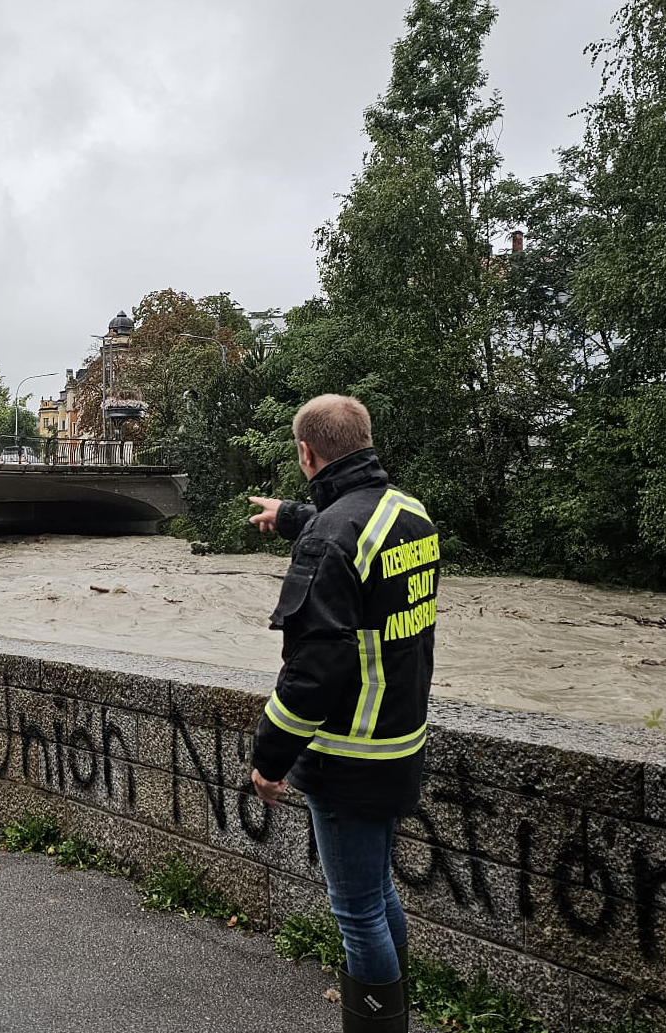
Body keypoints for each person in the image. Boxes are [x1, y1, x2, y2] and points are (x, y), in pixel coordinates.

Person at [247, 394, 439, 1033]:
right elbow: (356, 536)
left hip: (351, 754)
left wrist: (269, 756)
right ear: (364, 438)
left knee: (357, 911)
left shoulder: (331, 538)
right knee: (379, 896)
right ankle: (395, 1015)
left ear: (306, 452)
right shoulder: (410, 515)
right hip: (400, 741)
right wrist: (293, 514)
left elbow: (313, 673)